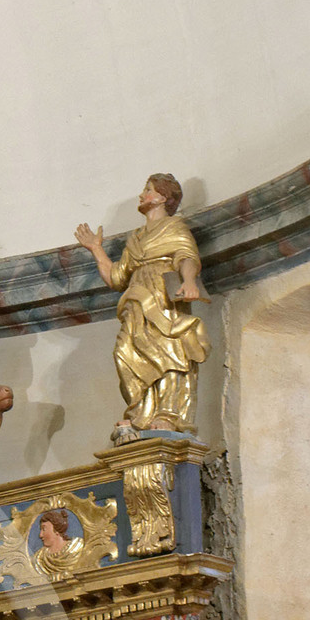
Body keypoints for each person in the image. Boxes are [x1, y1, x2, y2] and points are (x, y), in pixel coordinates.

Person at [72, 173, 207, 441]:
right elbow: (117, 277)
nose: (142, 195)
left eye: (148, 190)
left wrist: (190, 281)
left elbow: (186, 257)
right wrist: (96, 249)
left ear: (163, 197)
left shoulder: (174, 227)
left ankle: (168, 414)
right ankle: (140, 414)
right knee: (124, 353)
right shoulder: (135, 237)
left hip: (163, 299)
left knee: (169, 353)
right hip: (135, 304)